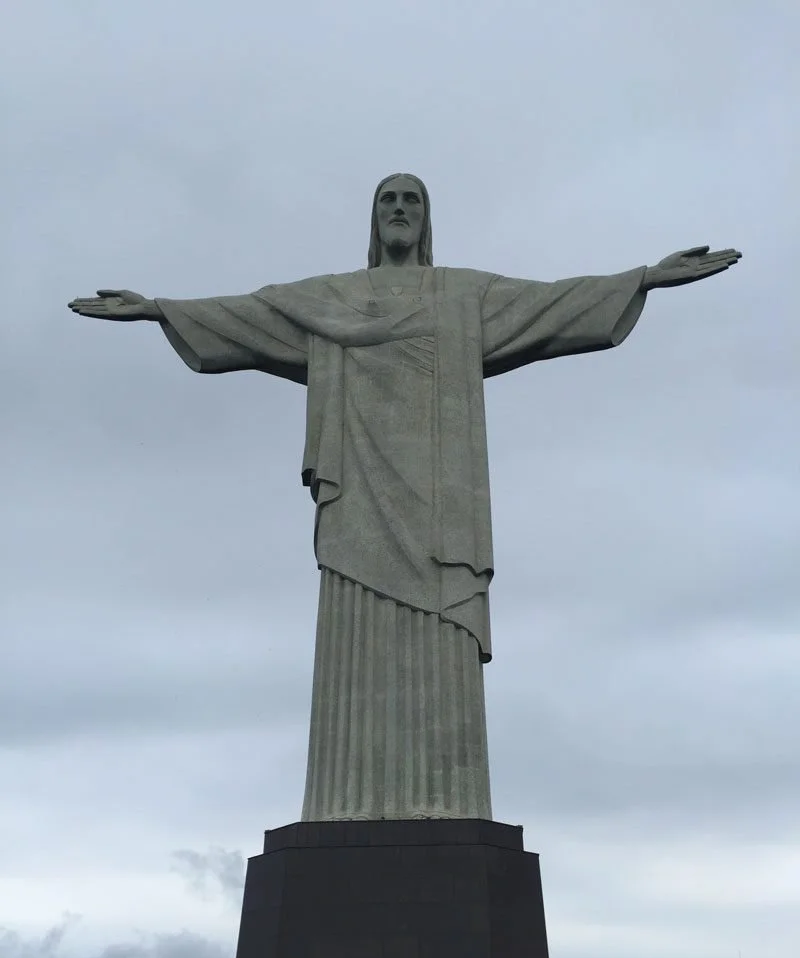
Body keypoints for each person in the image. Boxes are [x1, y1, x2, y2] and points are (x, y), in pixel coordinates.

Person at [69, 173, 741, 824]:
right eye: (387, 199)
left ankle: (446, 802)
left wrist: (645, 277)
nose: (398, 209)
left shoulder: (462, 296)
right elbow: (250, 314)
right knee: (354, 635)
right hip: (359, 499)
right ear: (373, 217)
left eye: (410, 200)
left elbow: (553, 304)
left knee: (441, 641)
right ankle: (344, 800)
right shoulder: (327, 297)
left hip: (441, 511)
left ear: (426, 218)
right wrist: (159, 308)